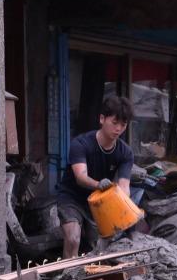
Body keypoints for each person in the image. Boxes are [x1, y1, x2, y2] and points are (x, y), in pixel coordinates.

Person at [56, 96, 135, 258]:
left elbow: (124, 187)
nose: (118, 129)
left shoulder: (126, 153)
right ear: (102, 119)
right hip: (72, 198)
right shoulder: (81, 144)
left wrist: (127, 209)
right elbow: (81, 177)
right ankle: (68, 273)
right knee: (73, 238)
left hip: (100, 203)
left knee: (98, 248)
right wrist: (99, 184)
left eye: (123, 125)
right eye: (115, 123)